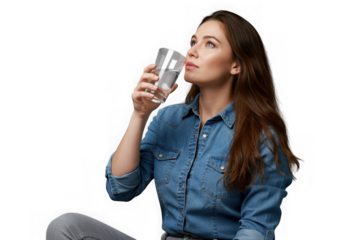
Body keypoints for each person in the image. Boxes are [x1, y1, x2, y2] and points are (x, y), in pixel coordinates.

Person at [46, 9, 304, 240]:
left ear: (236, 65)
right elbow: (120, 189)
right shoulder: (167, 119)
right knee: (67, 225)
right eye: (193, 42)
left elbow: (256, 229)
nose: (191, 51)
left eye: (210, 44)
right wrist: (140, 115)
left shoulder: (261, 136)